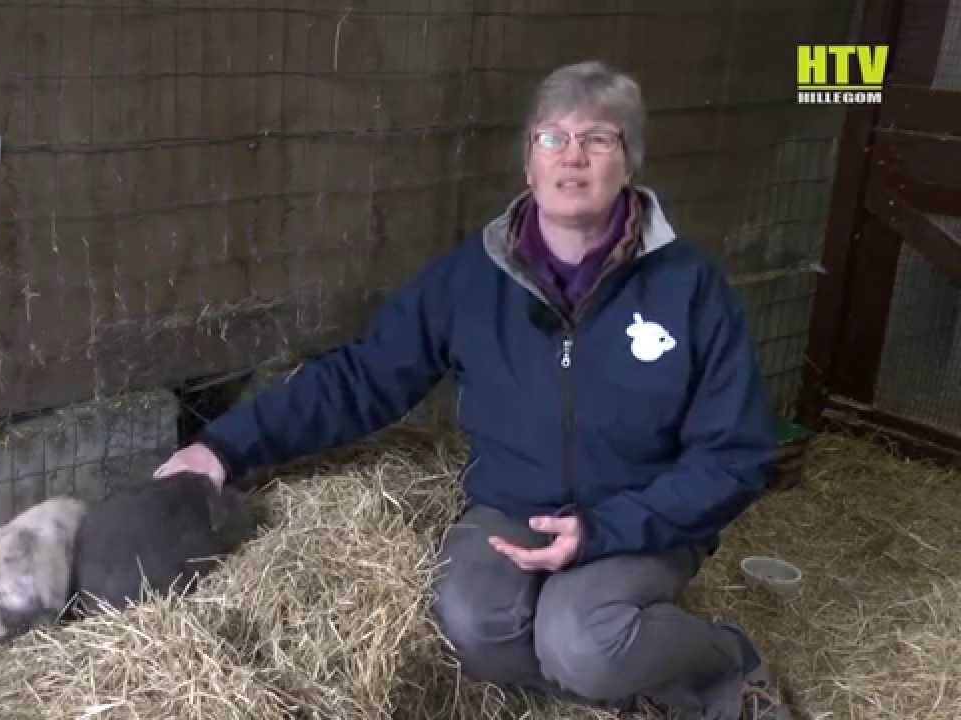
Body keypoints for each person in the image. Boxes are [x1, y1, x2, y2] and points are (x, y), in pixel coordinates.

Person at [153, 60, 791, 720]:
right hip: (513, 508)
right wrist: (224, 448)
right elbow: (365, 377)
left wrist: (608, 528)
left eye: (599, 139)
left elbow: (736, 455)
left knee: (581, 641)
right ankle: (631, 687)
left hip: (637, 516)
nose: (573, 158)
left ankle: (723, 665)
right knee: (471, 625)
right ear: (528, 163)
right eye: (552, 138)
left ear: (629, 161)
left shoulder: (689, 286)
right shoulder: (472, 279)